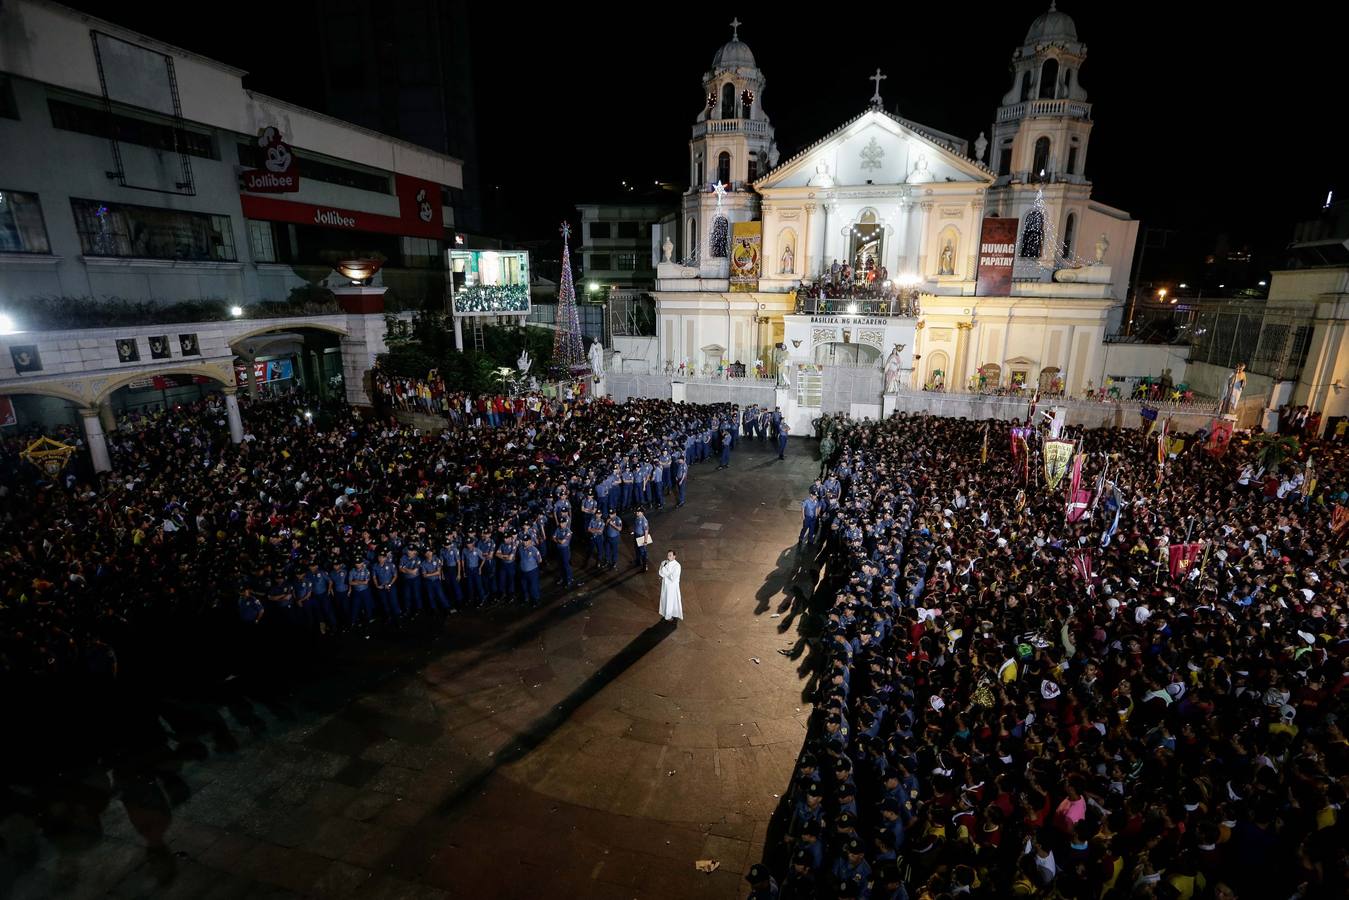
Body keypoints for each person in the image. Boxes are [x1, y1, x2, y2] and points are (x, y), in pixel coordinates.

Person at [658, 550, 683, 622]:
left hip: (672, 586)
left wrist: (664, 570)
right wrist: (664, 572)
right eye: (668, 555)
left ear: (674, 556)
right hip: (665, 585)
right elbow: (660, 572)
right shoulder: (664, 562)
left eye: (670, 555)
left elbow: (672, 577)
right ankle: (663, 611)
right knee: (664, 598)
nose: (668, 557)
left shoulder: (677, 566)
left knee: (670, 600)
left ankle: (669, 615)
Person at [518, 534, 542, 608]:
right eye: (524, 541)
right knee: (524, 585)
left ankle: (536, 600)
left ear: (530, 541)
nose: (525, 542)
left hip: (532, 571)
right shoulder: (520, 548)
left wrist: (532, 565)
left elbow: (540, 560)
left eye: (526, 541)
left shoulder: (534, 550)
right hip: (523, 571)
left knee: (533, 586)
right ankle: (526, 598)